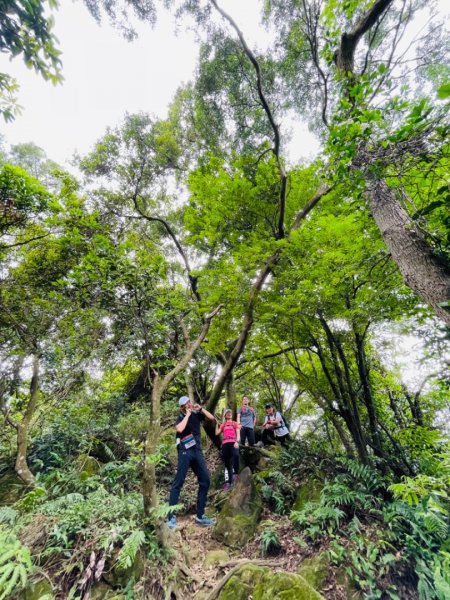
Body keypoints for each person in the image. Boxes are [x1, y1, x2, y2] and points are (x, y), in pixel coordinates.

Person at [167, 396, 217, 529]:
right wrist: (188, 415)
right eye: (185, 404)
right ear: (181, 407)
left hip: (197, 451)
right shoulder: (181, 417)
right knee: (178, 482)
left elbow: (211, 418)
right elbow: (179, 429)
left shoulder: (196, 414)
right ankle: (171, 517)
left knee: (205, 480)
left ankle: (200, 516)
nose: (188, 405)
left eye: (188, 402)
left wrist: (200, 409)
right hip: (185, 452)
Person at [216, 408, 240, 490]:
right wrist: (217, 425)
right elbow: (217, 433)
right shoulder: (223, 425)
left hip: (233, 442)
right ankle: (228, 482)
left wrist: (237, 441)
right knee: (227, 463)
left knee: (236, 456)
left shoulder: (235, 423)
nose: (229, 414)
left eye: (230, 413)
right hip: (225, 444)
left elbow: (238, 433)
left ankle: (235, 474)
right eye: (227, 413)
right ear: (225, 416)